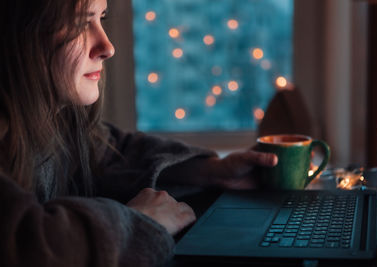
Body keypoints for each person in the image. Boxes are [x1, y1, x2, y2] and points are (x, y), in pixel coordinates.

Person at [0, 0, 278, 266]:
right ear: (18, 34)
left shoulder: (59, 125)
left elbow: (111, 151)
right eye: (78, 24)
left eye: (101, 18)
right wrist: (137, 222)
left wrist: (211, 169)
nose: (107, 47)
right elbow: (27, 245)